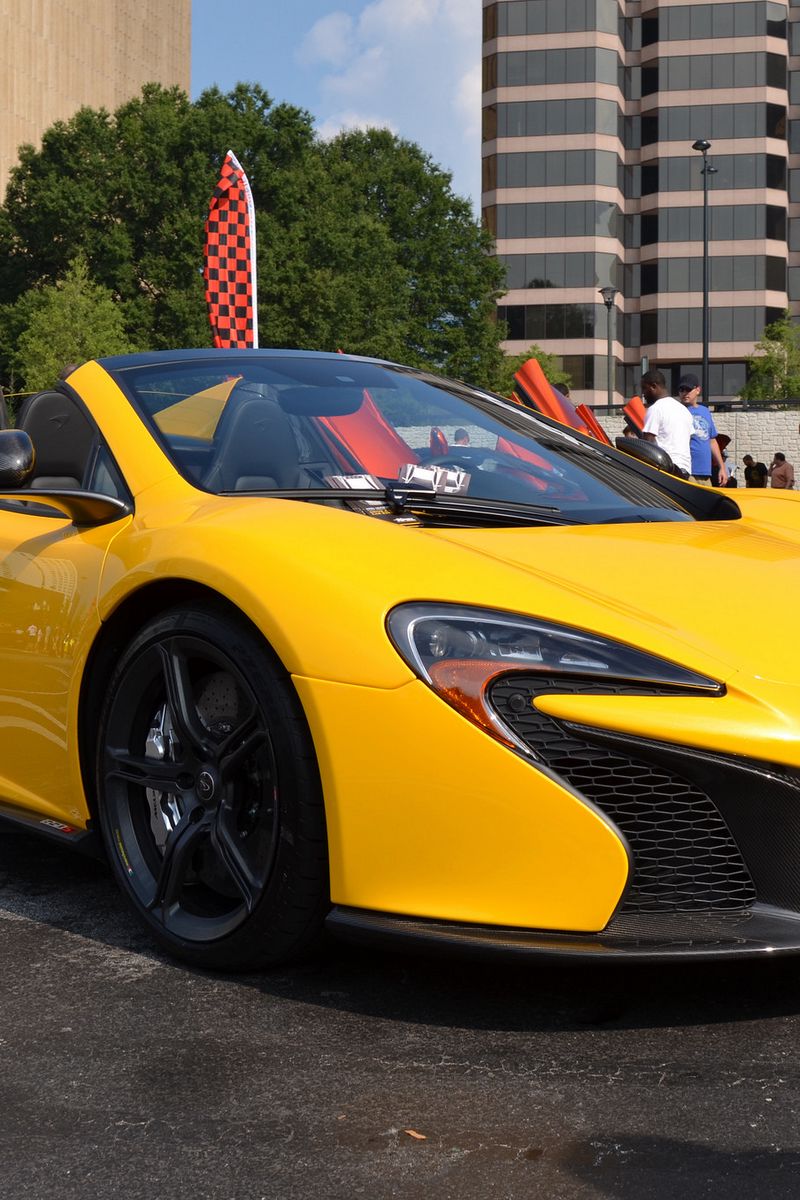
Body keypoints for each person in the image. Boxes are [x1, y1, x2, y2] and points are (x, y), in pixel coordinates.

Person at [640, 368, 693, 477]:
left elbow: (647, 444)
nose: (643, 393)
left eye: (644, 388)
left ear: (654, 386)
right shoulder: (683, 410)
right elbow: (688, 440)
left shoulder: (656, 409)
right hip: (685, 471)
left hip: (666, 469)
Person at [677, 373, 727, 486]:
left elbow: (712, 441)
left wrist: (722, 467)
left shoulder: (705, 411)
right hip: (686, 472)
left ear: (697, 390)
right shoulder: (677, 411)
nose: (684, 393)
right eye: (681, 390)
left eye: (688, 389)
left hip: (705, 473)